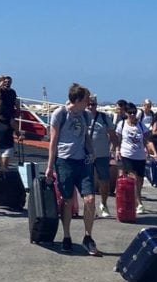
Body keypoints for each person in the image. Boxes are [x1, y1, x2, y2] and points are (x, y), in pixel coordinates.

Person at [45, 83, 101, 256]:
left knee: (90, 199)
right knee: (68, 201)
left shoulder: (85, 116)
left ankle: (88, 237)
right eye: (86, 100)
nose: (89, 103)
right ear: (77, 100)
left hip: (82, 162)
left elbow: (86, 137)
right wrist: (49, 166)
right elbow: (53, 142)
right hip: (64, 162)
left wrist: (92, 153)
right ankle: (67, 236)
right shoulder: (60, 114)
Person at [116, 104, 157, 214]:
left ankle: (136, 198)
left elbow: (147, 140)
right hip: (127, 155)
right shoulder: (122, 125)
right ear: (126, 113)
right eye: (129, 113)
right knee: (133, 178)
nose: (132, 115)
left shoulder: (141, 126)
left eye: (134, 113)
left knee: (139, 180)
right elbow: (118, 139)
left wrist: (154, 152)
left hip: (139, 156)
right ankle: (139, 202)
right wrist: (116, 151)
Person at [86, 96, 117, 217]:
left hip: (102, 154)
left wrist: (115, 148)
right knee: (88, 182)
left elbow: (112, 134)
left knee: (104, 180)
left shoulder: (104, 118)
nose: (90, 107)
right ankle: (91, 207)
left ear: (96, 105)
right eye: (88, 104)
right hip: (86, 155)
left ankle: (103, 204)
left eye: (93, 104)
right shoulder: (82, 117)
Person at [0, 75, 19, 168]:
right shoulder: (0, 91)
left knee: (10, 128)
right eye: (6, 82)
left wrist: (18, 109)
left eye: (9, 82)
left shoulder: (12, 92)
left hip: (9, 114)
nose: (7, 84)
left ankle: (8, 153)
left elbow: (15, 102)